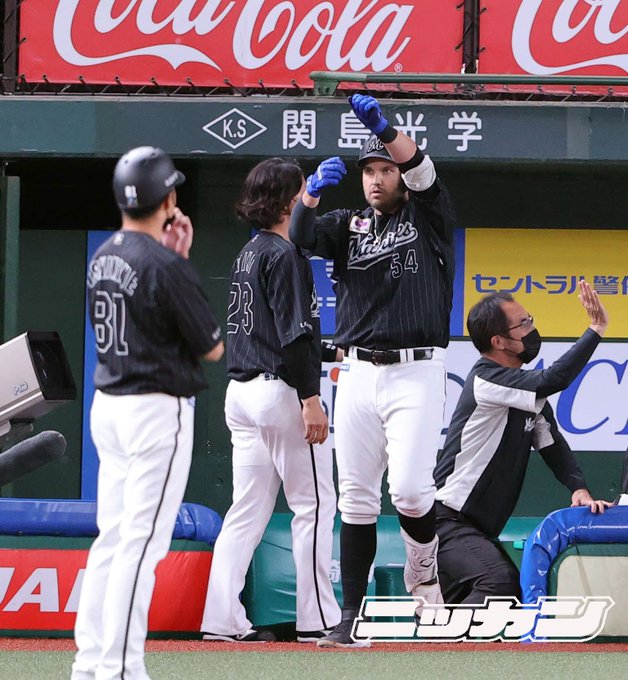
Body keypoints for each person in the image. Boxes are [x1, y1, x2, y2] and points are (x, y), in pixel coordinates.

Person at [289, 95, 457, 647]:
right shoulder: (349, 223)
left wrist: (385, 130)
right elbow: (300, 237)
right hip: (357, 371)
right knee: (356, 498)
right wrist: (310, 194)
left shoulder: (428, 214)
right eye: (369, 171)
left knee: (409, 491)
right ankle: (350, 618)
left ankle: (423, 572)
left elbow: (423, 171)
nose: (377, 178)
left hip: (416, 370)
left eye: (385, 169)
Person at [72, 146, 224, 680]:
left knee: (113, 538)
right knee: (141, 543)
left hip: (110, 406)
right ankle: (121, 667)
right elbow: (212, 347)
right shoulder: (163, 264)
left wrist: (173, 259)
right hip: (155, 410)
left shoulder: (103, 254)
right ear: (167, 199)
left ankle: (91, 662)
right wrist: (179, 262)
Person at [200, 158, 341, 643]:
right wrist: (311, 398)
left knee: (247, 510)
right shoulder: (284, 254)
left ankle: (221, 619)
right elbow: (294, 337)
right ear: (286, 202)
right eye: (301, 191)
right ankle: (319, 619)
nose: (306, 199)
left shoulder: (250, 251)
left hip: (242, 393)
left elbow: (271, 330)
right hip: (280, 391)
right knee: (315, 505)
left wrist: (329, 351)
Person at [434, 280, 612, 605]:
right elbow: (553, 379)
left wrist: (579, 488)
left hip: (477, 529)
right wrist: (595, 328)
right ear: (498, 341)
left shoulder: (525, 393)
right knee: (499, 586)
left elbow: (551, 444)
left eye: (530, 320)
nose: (532, 329)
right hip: (445, 521)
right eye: (524, 324)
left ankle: (436, 639)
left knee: (458, 610)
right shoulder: (486, 378)